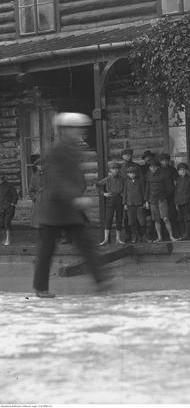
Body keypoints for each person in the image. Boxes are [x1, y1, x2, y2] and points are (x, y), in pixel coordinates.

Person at [33, 112, 111, 298]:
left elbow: (75, 177)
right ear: (65, 130)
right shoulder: (56, 150)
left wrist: (79, 194)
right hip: (54, 209)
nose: (79, 131)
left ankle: (102, 282)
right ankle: (41, 287)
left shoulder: (74, 149)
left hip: (70, 211)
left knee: (86, 245)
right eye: (75, 128)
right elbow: (57, 179)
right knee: (46, 250)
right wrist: (74, 197)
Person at [145, 159, 177, 242]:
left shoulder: (163, 175)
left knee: (165, 218)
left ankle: (171, 236)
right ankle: (159, 237)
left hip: (162, 199)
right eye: (151, 167)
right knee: (156, 220)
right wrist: (146, 200)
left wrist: (164, 196)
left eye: (155, 167)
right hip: (152, 200)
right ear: (149, 168)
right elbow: (147, 188)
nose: (153, 169)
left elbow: (169, 187)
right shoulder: (148, 175)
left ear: (158, 167)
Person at [96, 161, 125, 245]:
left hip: (120, 199)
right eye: (113, 169)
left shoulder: (122, 179)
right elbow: (97, 185)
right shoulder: (108, 178)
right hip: (110, 199)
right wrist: (104, 193)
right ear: (110, 170)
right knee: (109, 218)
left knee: (119, 218)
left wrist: (123, 196)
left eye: (117, 169)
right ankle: (105, 239)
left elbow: (125, 188)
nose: (115, 170)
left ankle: (118, 238)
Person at [122, 165, 146, 243]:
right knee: (132, 221)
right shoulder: (126, 182)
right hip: (130, 203)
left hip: (139, 203)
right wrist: (125, 203)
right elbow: (125, 193)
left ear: (136, 174)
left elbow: (143, 191)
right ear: (127, 174)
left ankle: (143, 236)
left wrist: (144, 201)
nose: (132, 175)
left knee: (141, 220)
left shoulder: (140, 181)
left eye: (133, 173)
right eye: (130, 173)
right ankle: (134, 236)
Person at [158, 153, 178, 237]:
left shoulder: (172, 169)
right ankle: (164, 233)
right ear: (160, 162)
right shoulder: (158, 170)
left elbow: (176, 181)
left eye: (166, 160)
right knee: (163, 215)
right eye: (163, 161)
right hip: (162, 195)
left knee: (173, 213)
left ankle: (176, 232)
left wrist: (176, 192)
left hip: (172, 194)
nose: (165, 162)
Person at [174, 162, 190, 240]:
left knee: (187, 218)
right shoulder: (178, 180)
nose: (182, 171)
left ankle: (187, 233)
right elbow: (176, 192)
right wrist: (176, 202)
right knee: (180, 218)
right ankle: (181, 233)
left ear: (186, 171)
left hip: (187, 201)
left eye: (183, 170)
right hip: (179, 201)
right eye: (180, 170)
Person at [0, 173, 18, 246]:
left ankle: (8, 239)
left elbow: (15, 195)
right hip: (0, 208)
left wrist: (13, 204)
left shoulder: (9, 185)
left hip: (9, 208)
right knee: (1, 224)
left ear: (4, 178)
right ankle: (4, 239)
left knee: (6, 223)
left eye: (1, 178)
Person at [28, 158, 46, 231]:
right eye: (39, 165)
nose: (40, 166)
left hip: (48, 199)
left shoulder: (49, 175)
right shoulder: (34, 176)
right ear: (37, 166)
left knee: (49, 219)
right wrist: (35, 198)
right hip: (38, 199)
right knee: (39, 221)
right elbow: (31, 190)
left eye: (42, 165)